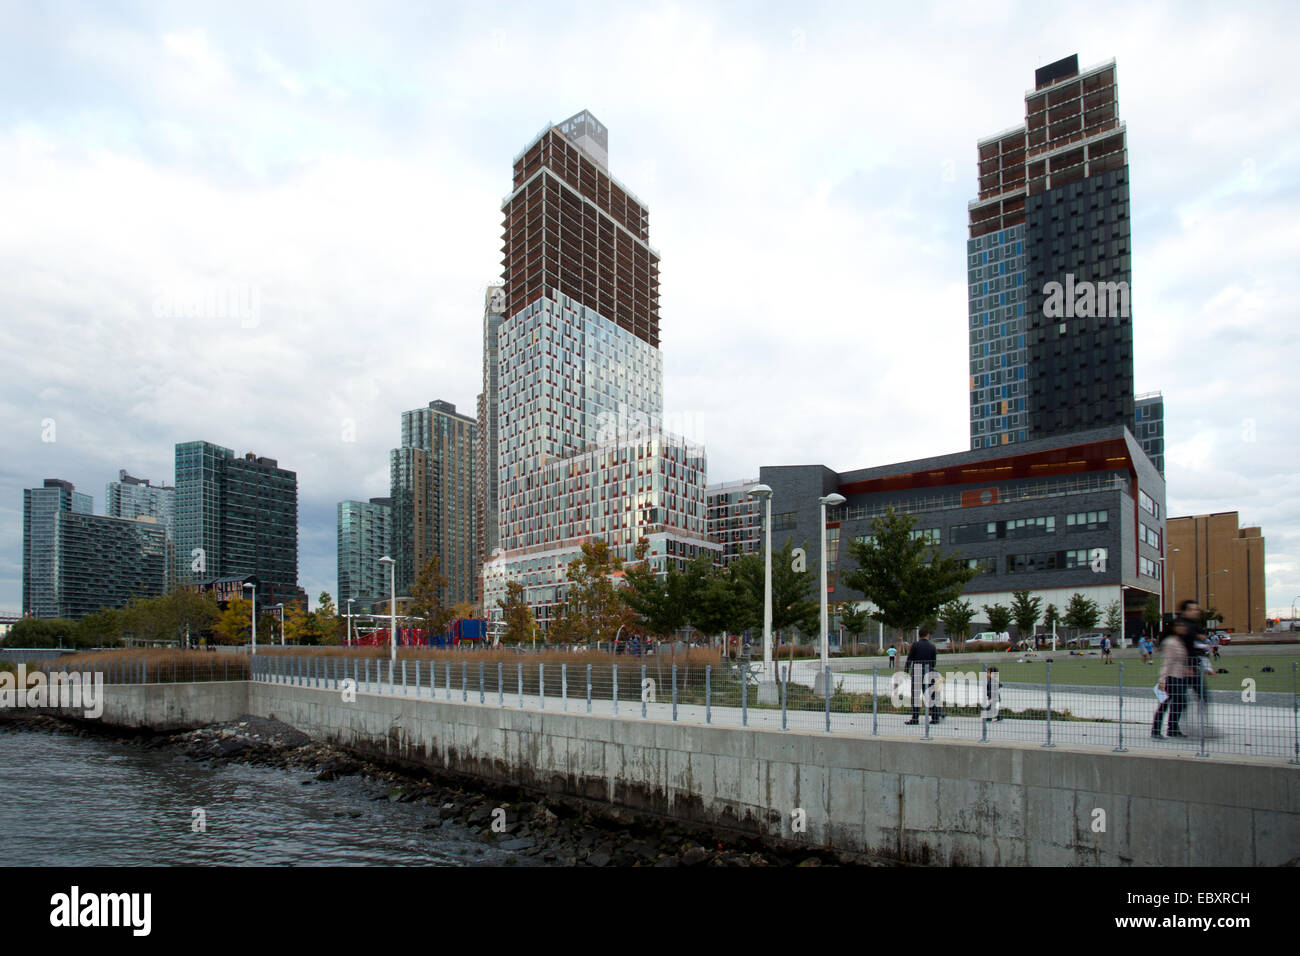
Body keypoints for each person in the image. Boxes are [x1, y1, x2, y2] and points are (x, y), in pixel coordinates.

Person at [1152, 619, 1193, 738]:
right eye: (1180, 625)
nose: (1183, 628)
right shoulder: (1171, 643)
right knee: (1167, 703)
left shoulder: (1180, 641)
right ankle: (1158, 730)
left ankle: (1173, 728)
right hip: (1171, 677)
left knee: (1178, 703)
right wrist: (1162, 680)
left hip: (1179, 677)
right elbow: (1167, 662)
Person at [903, 628, 942, 725]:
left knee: (915, 696)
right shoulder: (932, 646)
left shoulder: (915, 645)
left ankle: (915, 718)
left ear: (919, 635)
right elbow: (934, 662)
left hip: (917, 671)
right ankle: (935, 718)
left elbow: (909, 659)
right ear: (927, 635)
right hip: (929, 671)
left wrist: (906, 672)